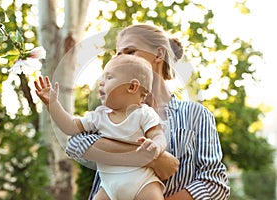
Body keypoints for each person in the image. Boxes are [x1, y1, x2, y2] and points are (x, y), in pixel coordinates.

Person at [66, 24, 230, 200]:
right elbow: (74, 143)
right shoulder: (109, 112)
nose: (122, 62)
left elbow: (214, 183)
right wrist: (153, 158)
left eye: (130, 52)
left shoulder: (196, 114)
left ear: (158, 55)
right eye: (118, 55)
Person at [34, 54, 168, 200]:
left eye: (109, 77)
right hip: (109, 189)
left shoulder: (144, 113)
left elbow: (158, 135)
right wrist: (53, 105)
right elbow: (70, 127)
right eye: (102, 78)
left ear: (132, 86)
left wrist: (156, 146)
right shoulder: (98, 116)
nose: (101, 82)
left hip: (143, 183)